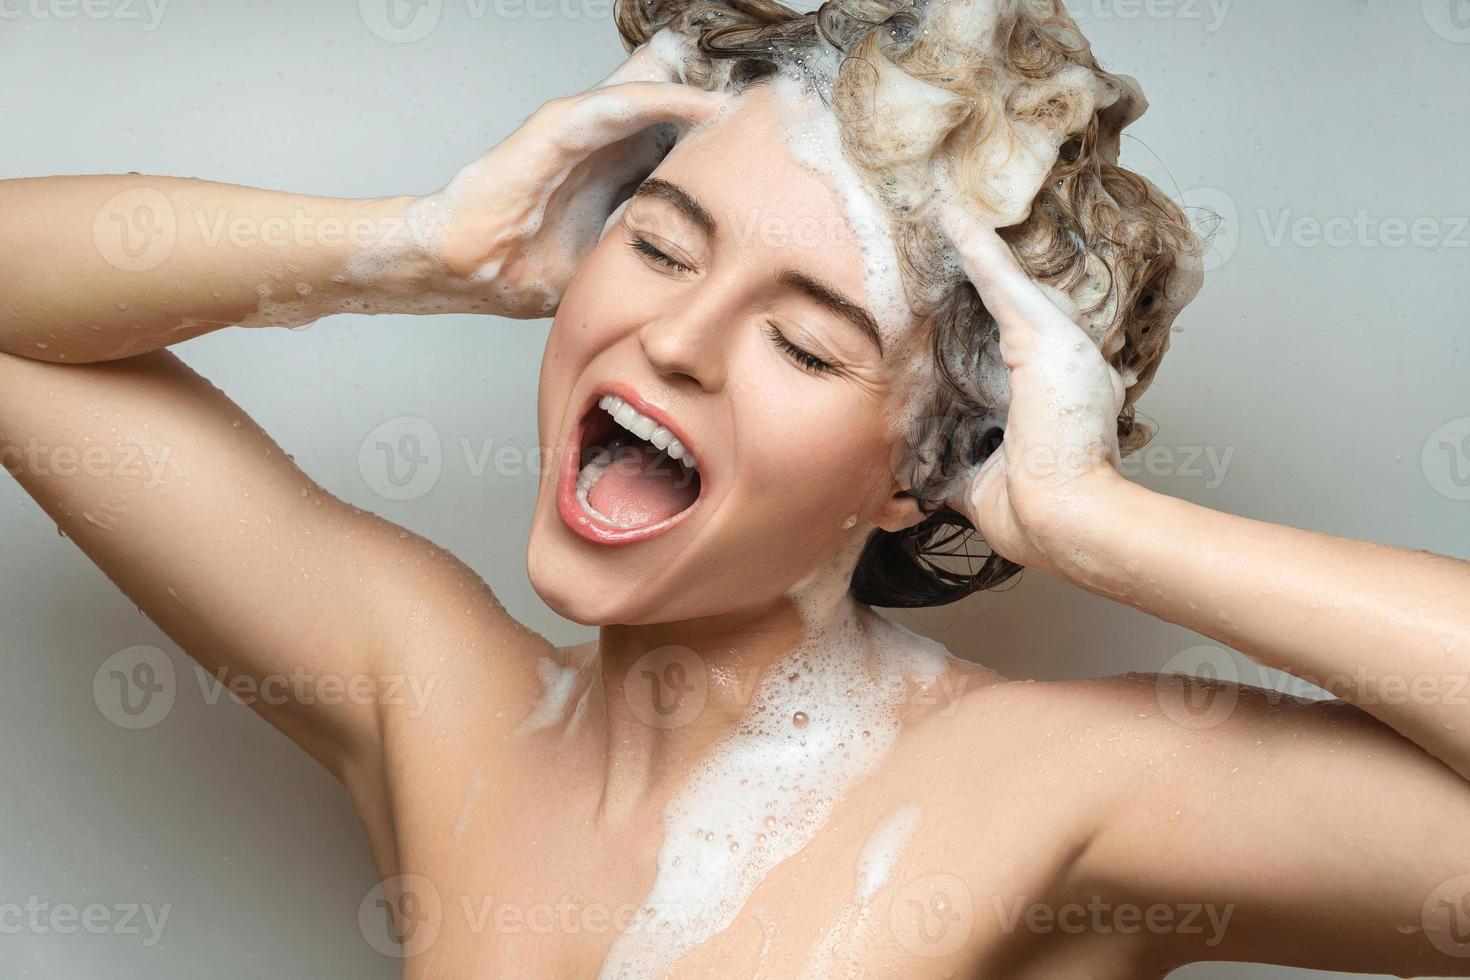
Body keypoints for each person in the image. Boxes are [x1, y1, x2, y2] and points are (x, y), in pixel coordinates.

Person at [1, 0, 1467, 976]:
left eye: (801, 341)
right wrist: (423, 244)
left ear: (918, 471)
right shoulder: (433, 698)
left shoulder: (1055, 785)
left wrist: (1102, 524)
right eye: (658, 245)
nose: (680, 342)